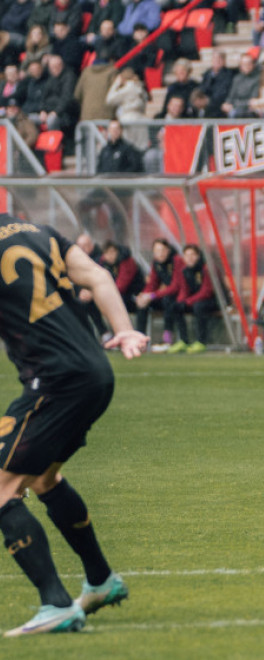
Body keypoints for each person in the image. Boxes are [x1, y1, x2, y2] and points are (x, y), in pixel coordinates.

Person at [0, 214, 147, 636]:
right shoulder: (34, 229)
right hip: (95, 373)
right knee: (44, 478)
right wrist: (124, 331)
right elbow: (99, 276)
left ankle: (56, 603)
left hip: (56, 381)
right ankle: (101, 581)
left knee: (3, 486)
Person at [167, 244, 218, 354]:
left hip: (214, 301)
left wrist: (188, 301)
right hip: (195, 300)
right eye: (186, 255)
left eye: (192, 255)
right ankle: (183, 341)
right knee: (175, 306)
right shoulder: (185, 270)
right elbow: (184, 290)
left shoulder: (206, 268)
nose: (189, 258)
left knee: (199, 307)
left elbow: (207, 292)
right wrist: (181, 302)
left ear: (198, 256)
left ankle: (201, 342)